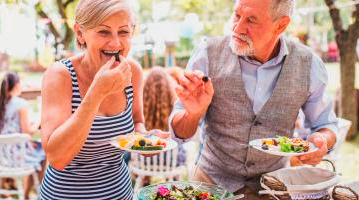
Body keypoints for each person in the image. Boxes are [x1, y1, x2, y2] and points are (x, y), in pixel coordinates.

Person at [169, 0, 338, 199]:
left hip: (273, 188)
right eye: (237, 15)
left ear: (281, 25)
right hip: (210, 186)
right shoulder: (207, 53)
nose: (237, 28)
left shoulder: (308, 64)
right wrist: (193, 113)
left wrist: (321, 140)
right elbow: (179, 133)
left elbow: (326, 125)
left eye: (251, 20)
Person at [39, 0, 146, 199]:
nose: (115, 43)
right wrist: (97, 92)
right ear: (80, 33)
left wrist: (145, 139)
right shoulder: (60, 75)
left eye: (123, 32)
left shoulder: (134, 73)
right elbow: (57, 158)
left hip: (120, 193)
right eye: (104, 32)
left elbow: (137, 121)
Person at [0, 72, 44, 200]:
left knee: (34, 147)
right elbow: (27, 131)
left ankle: (7, 189)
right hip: (16, 157)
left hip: (1, 157)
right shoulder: (20, 104)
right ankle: (28, 193)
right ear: (17, 86)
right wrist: (39, 120)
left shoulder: (1, 102)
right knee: (43, 151)